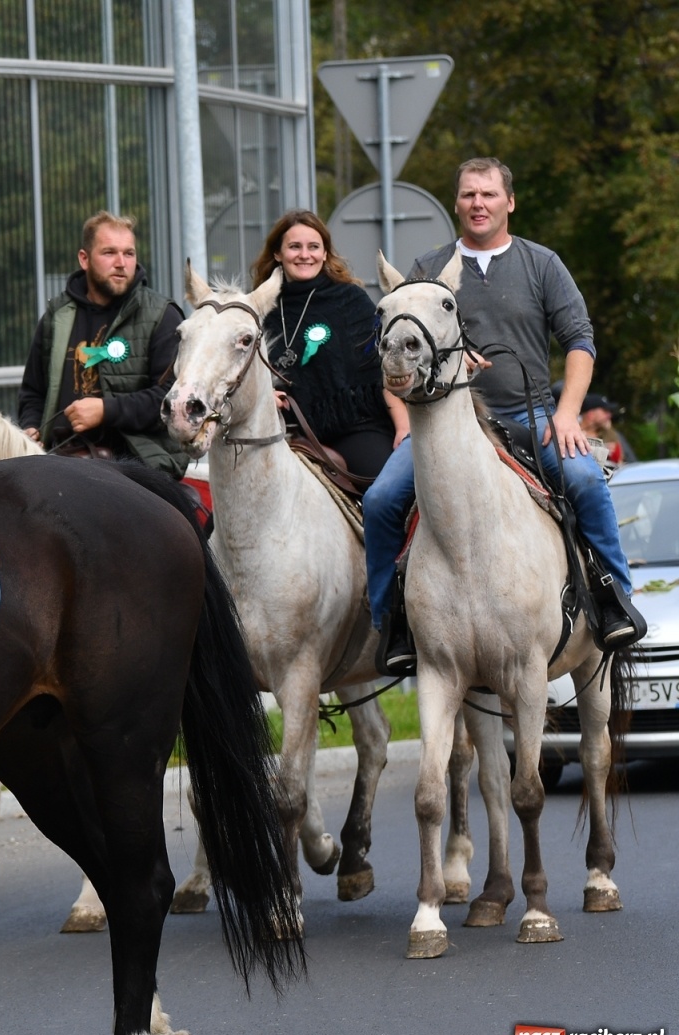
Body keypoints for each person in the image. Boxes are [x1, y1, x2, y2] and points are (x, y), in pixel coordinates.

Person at [366, 157, 643, 673]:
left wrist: (567, 415)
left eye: (489, 194)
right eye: (469, 194)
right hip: (448, 420)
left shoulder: (542, 263)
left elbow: (580, 342)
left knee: (584, 480)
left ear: (509, 202)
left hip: (530, 413)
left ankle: (613, 600)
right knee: (381, 500)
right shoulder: (428, 270)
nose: (478, 204)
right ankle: (391, 623)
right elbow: (391, 352)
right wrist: (410, 412)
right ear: (456, 202)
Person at [16, 212, 188, 477]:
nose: (121, 263)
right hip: (59, 463)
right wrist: (30, 429)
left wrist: (106, 411)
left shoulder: (163, 315)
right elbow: (33, 393)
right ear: (84, 259)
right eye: (109, 253)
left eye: (129, 254)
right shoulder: (57, 316)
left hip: (139, 467)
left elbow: (171, 399)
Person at [250, 210, 408, 480]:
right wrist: (261, 394)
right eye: (294, 247)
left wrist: (403, 428)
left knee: (386, 494)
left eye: (314, 247)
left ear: (325, 254)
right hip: (281, 433)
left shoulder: (351, 300)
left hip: (354, 428)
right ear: (277, 253)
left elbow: (382, 370)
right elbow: (243, 372)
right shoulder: (260, 308)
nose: (304, 255)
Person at [579, 392, 634, 468]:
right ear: (590, 414)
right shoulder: (574, 433)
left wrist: (609, 431)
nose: (609, 415)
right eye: (605, 411)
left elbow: (621, 461)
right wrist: (601, 450)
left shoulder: (609, 433)